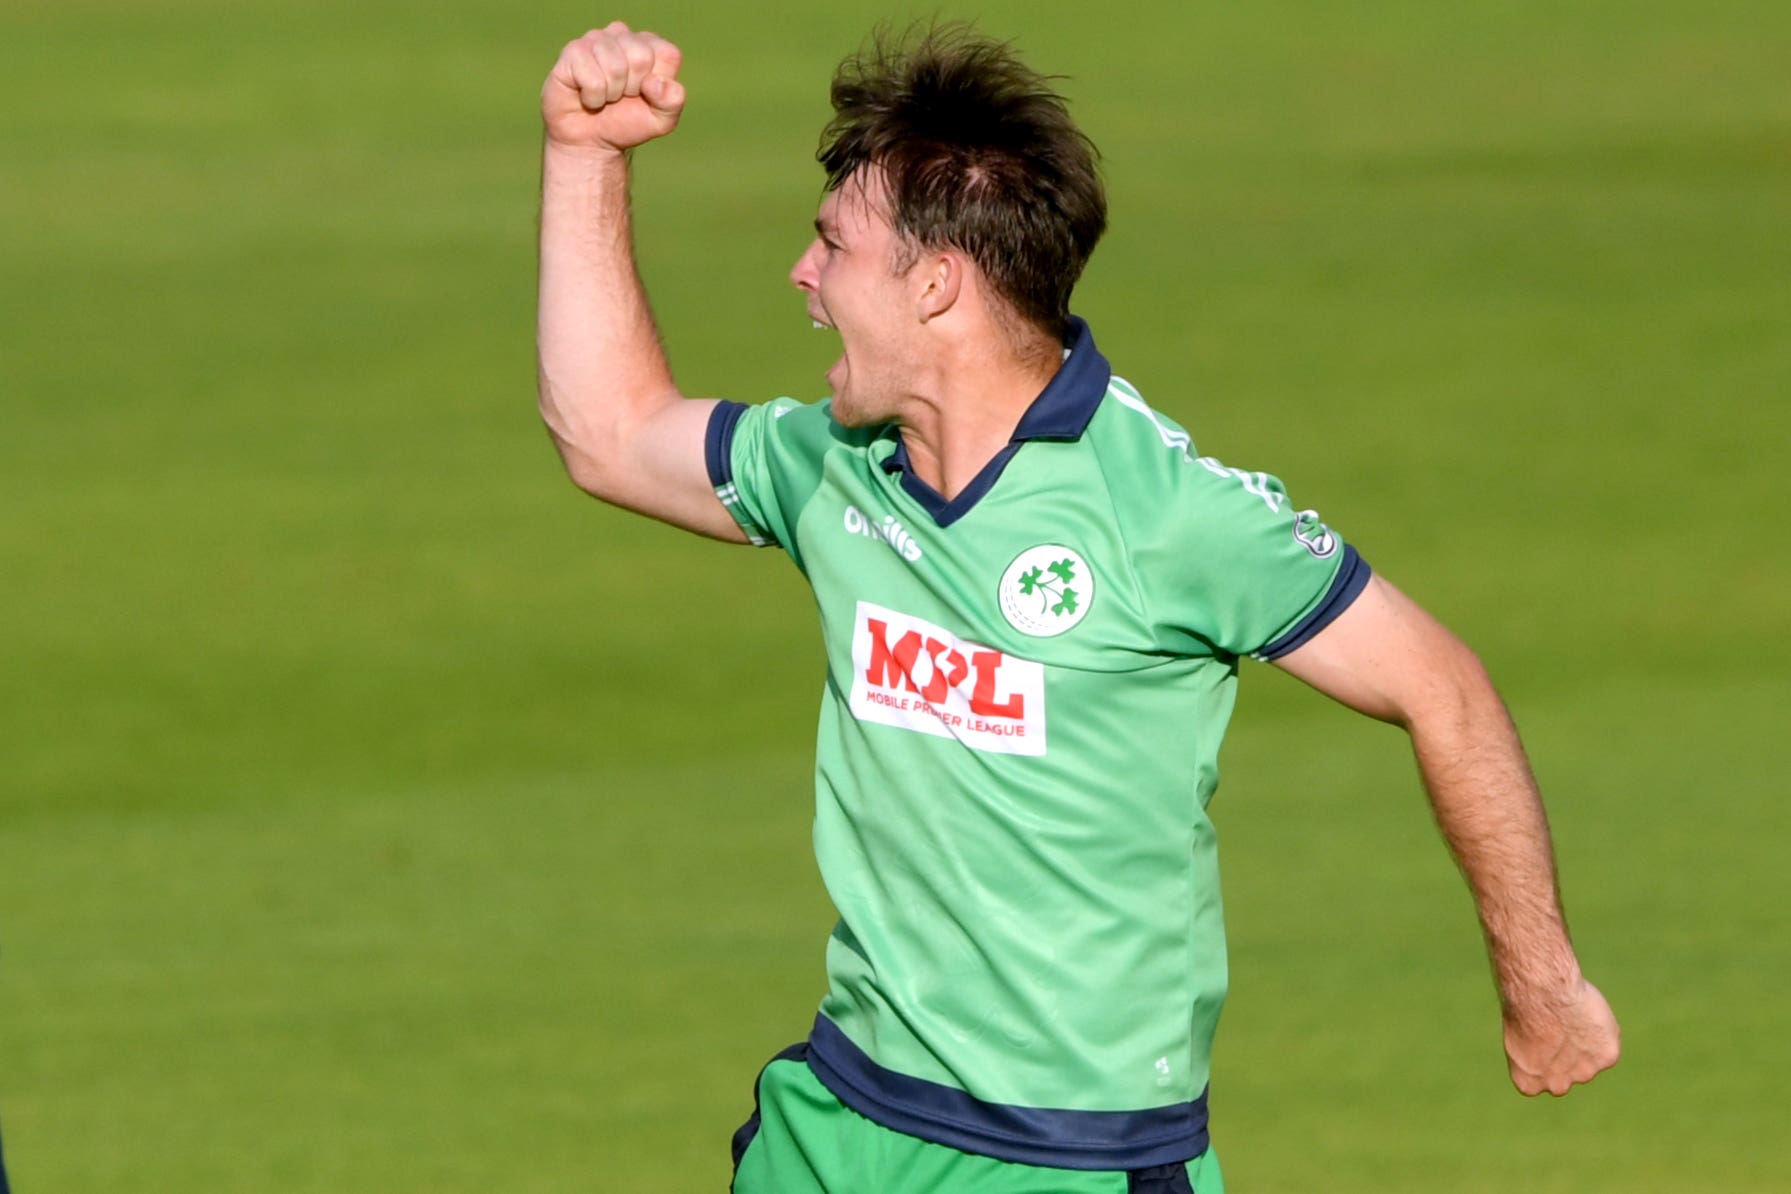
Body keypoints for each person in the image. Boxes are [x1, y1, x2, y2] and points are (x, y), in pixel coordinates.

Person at [536, 20, 1621, 1193]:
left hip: (1071, 1156)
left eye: (831, 245)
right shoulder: (836, 465)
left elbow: (1442, 688)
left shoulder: (1168, 515)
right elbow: (609, 434)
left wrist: (1542, 980)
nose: (802, 274)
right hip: (843, 1119)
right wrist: (585, 157)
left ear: (937, 283)